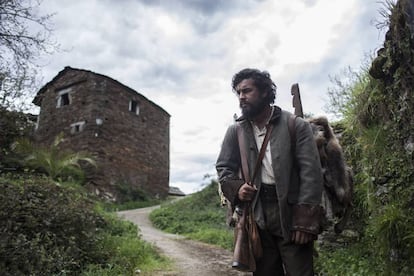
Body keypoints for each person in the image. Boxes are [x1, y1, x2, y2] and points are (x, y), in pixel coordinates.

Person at [216, 68, 324, 275]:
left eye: (247, 91)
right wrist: (237, 189)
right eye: (238, 92)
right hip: (256, 215)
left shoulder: (295, 125)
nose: (241, 97)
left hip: (292, 214)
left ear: (265, 92)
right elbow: (224, 168)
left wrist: (304, 221)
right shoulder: (235, 131)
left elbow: (311, 174)